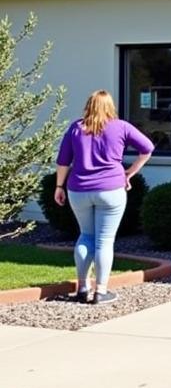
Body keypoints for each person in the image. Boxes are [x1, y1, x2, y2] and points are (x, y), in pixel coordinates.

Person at [54, 90, 154, 305]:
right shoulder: (121, 127)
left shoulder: (75, 128)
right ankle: (100, 291)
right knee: (104, 241)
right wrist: (131, 171)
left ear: (89, 105)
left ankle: (82, 288)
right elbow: (147, 148)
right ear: (110, 106)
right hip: (111, 190)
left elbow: (63, 161)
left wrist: (59, 186)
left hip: (78, 190)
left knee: (85, 236)